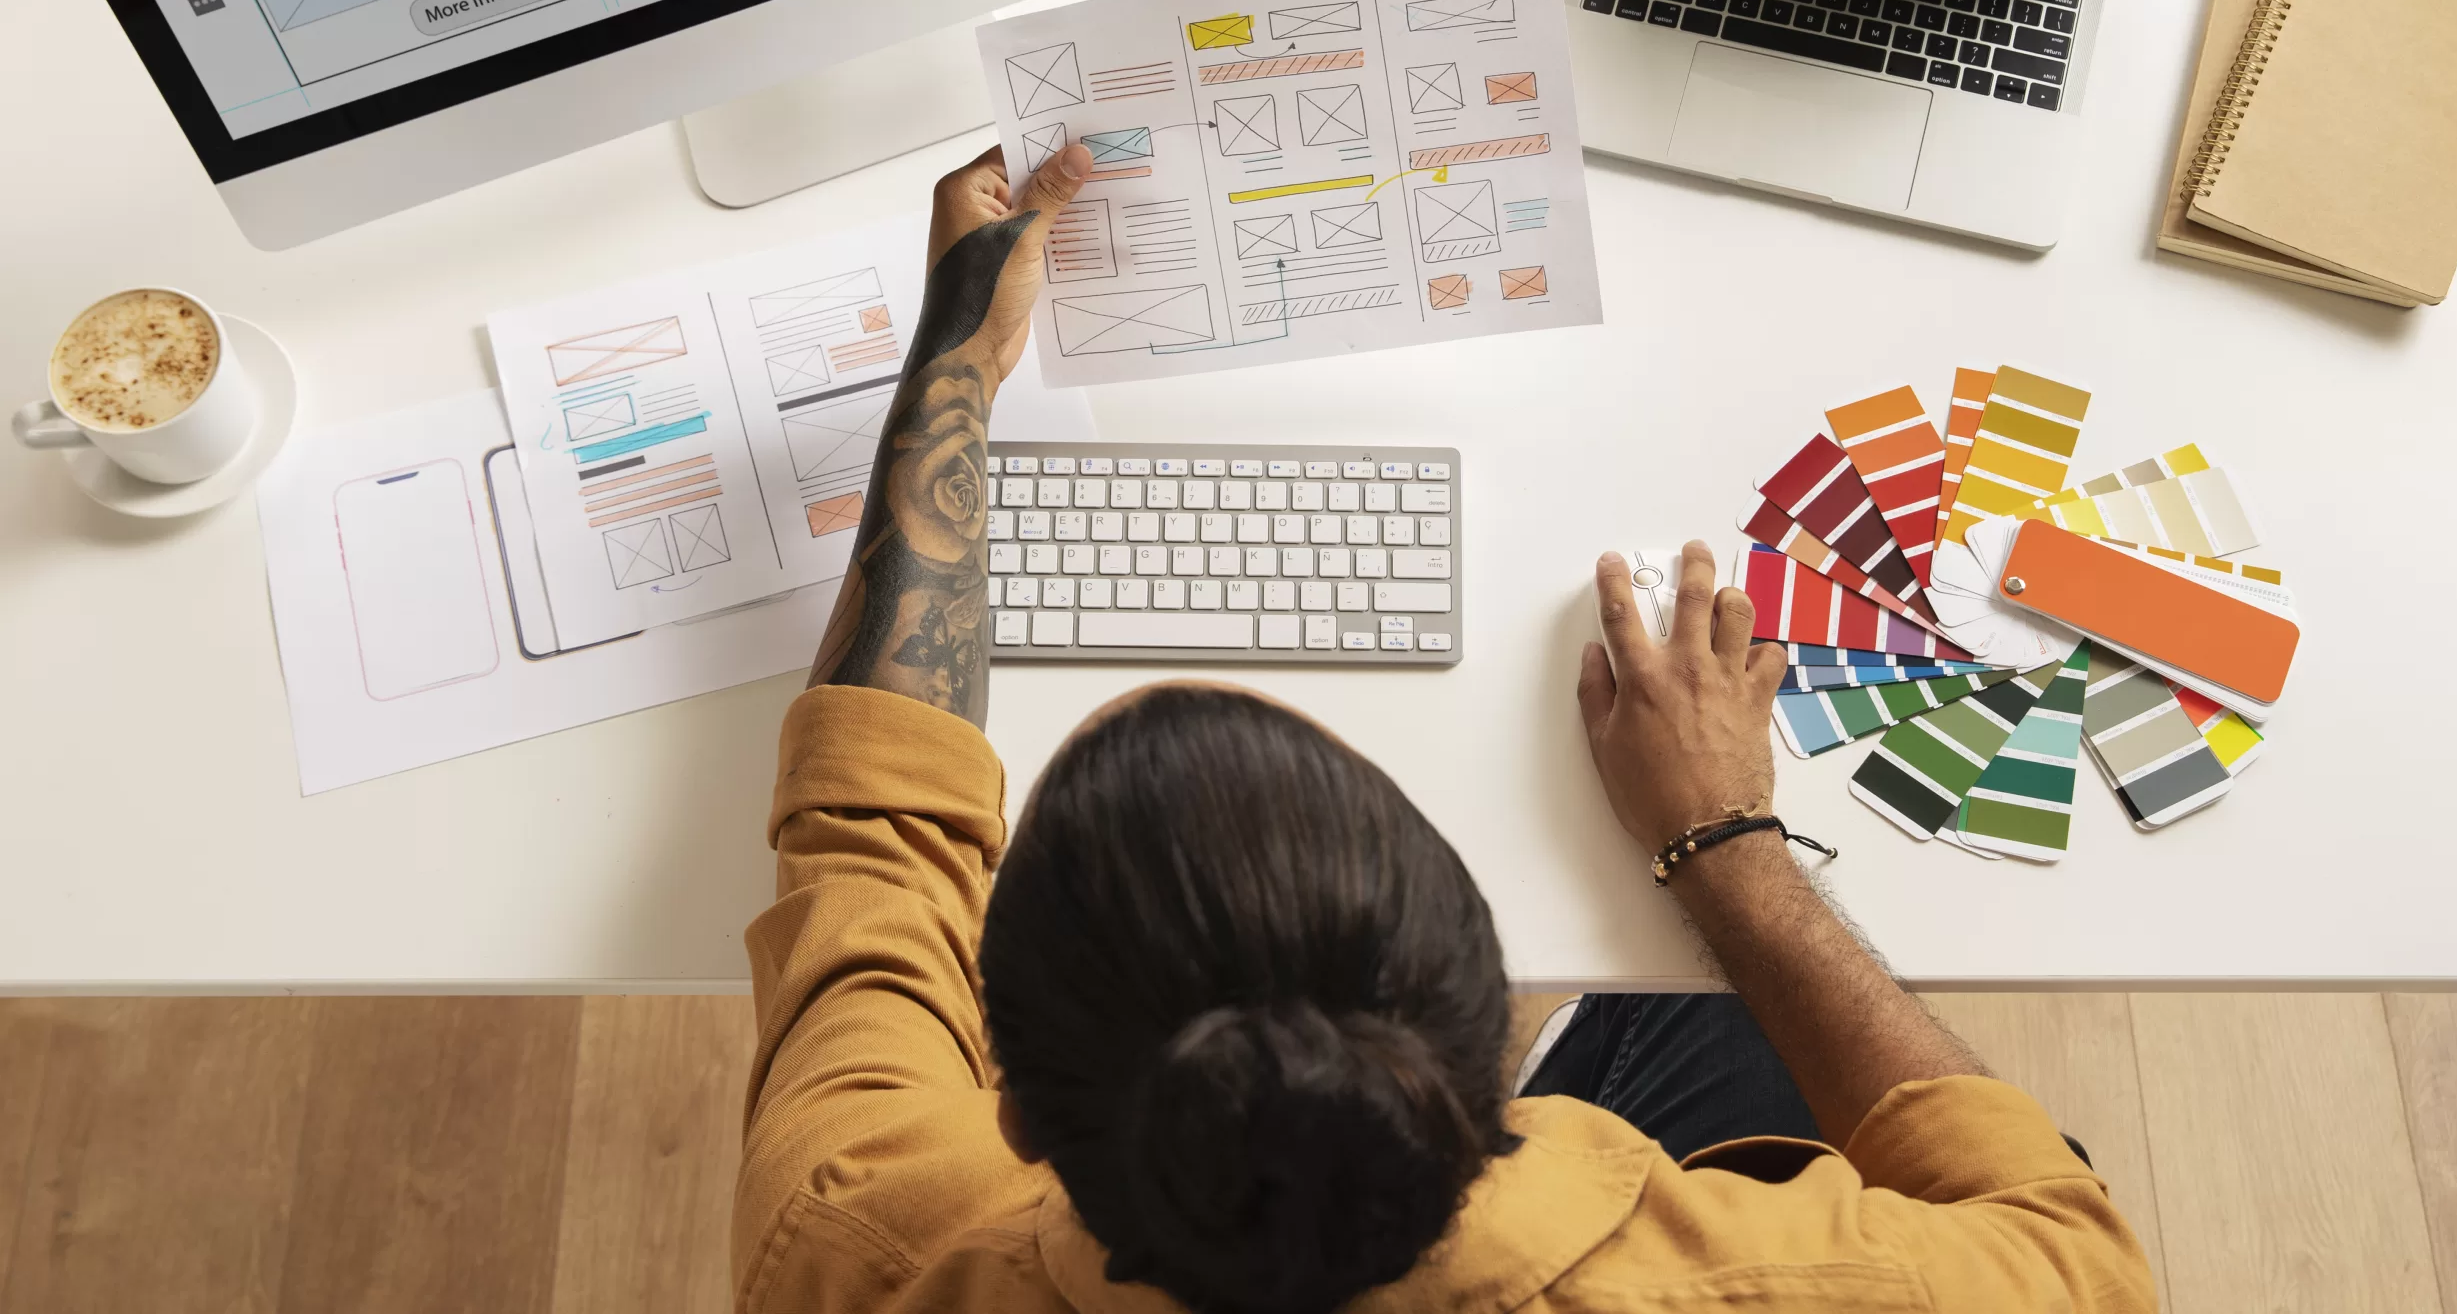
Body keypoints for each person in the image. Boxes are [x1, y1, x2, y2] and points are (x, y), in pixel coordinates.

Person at [731, 146, 2158, 1314]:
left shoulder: (861, 1255)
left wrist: (958, 362)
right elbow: (2074, 1247)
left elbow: (875, 839)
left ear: (1017, 1118)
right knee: (1714, 1022)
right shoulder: (1774, 1285)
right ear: (1494, 1064)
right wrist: (1729, 845)